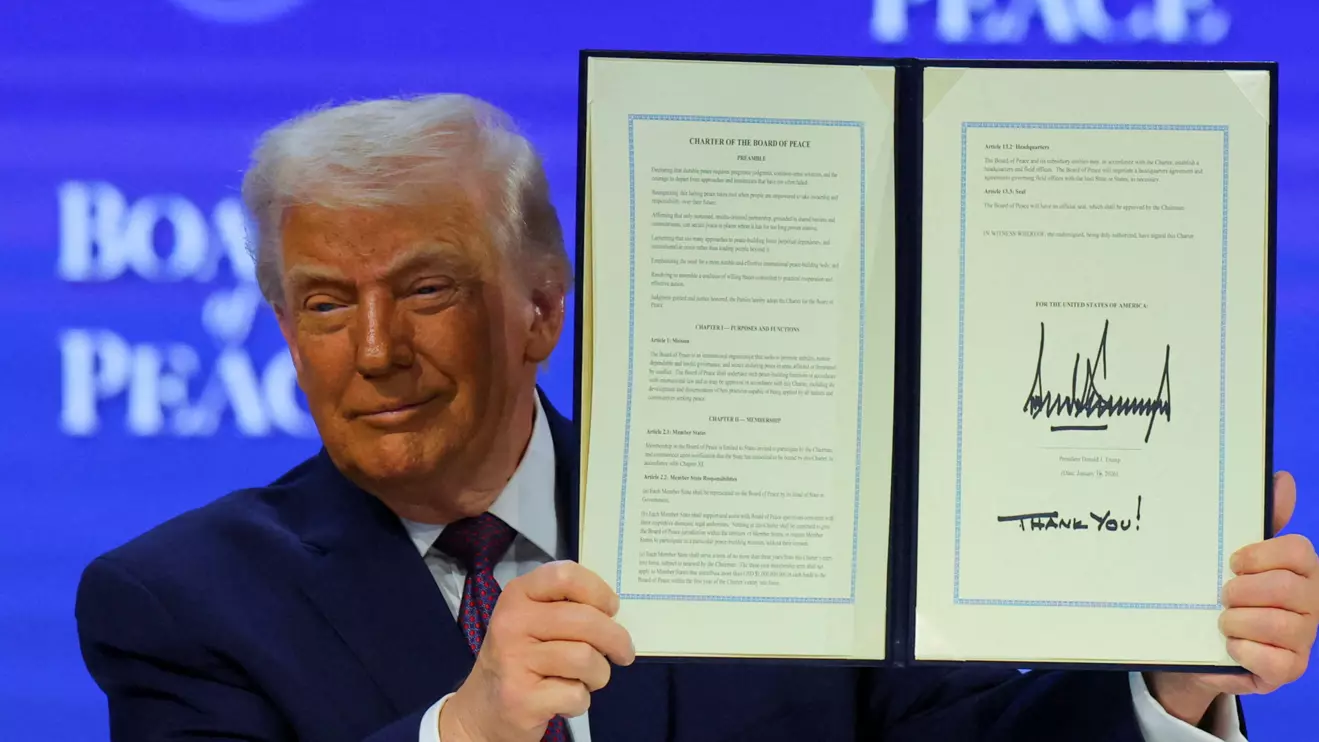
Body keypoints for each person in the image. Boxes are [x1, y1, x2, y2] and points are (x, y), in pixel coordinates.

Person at [75, 94, 1318, 742]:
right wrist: (470, 727)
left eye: (428, 288)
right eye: (324, 302)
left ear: (542, 310)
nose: (376, 347)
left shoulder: (780, 508)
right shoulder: (175, 603)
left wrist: (1162, 678)